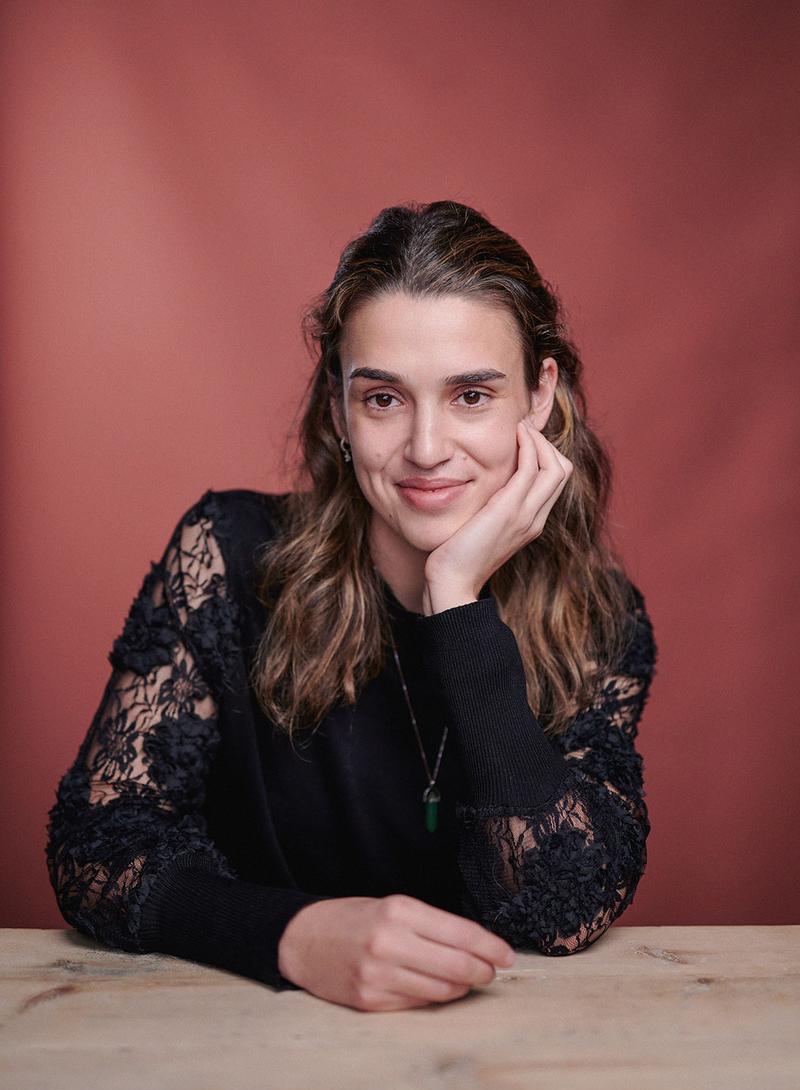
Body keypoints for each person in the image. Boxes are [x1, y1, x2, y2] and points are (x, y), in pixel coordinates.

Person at [45, 199, 658, 1013]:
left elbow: (566, 905)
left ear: (539, 397)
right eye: (384, 399)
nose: (428, 447)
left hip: (508, 1064)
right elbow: (96, 849)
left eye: (471, 395)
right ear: (338, 407)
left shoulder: (599, 619)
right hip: (235, 1045)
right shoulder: (226, 554)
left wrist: (457, 598)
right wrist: (291, 936)